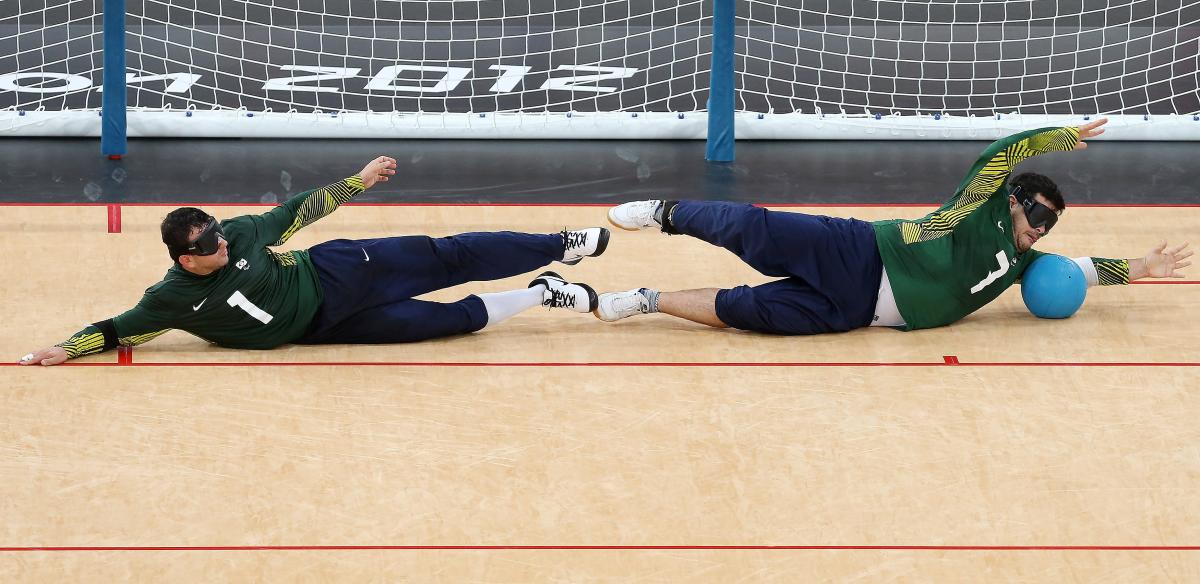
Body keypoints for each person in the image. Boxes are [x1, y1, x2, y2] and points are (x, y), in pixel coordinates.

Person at [594, 118, 1192, 334]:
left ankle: (647, 301)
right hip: (861, 252)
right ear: (1014, 202)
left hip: (857, 315)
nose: (1040, 230)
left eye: (1050, 226)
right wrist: (1061, 138)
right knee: (754, 227)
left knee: (743, 311)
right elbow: (1002, 156)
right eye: (1036, 213)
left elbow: (1083, 271)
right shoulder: (983, 204)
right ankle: (665, 212)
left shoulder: (1022, 266)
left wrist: (1142, 268)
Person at [19, 156, 609, 366]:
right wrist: (63, 349)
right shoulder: (171, 300)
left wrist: (360, 179)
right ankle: (543, 290)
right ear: (184, 258)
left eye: (220, 235)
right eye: (208, 246)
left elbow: (302, 211)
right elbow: (117, 330)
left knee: (449, 256)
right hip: (322, 326)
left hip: (339, 269)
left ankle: (561, 243)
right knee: (448, 322)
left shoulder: (245, 235)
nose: (222, 245)